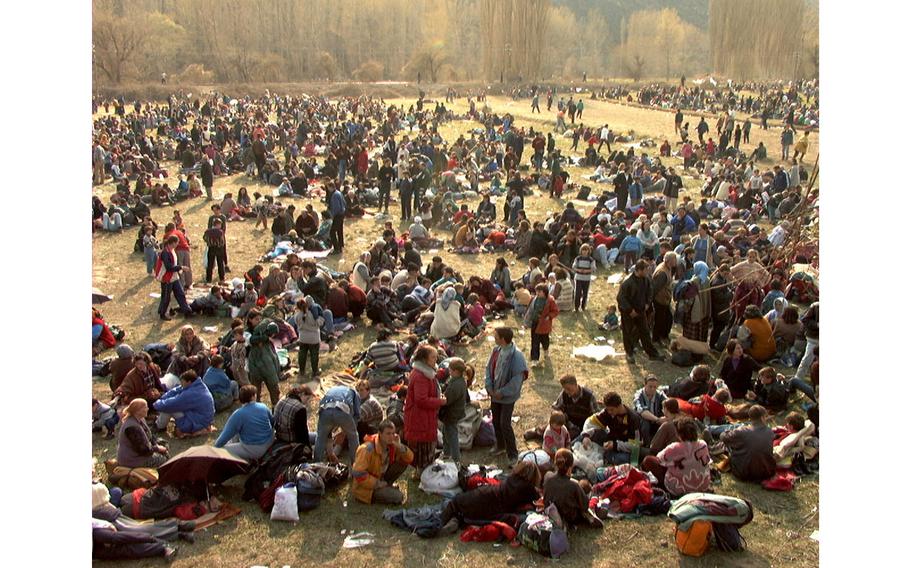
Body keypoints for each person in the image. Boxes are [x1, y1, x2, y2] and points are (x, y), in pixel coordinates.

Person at [439, 460, 541, 534]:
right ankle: (451, 521)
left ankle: (446, 521)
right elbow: (539, 500)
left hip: (485, 493)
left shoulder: (511, 478)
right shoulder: (528, 489)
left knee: (456, 502)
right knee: (465, 510)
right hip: (492, 506)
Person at [485, 327, 529, 463]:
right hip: (494, 394)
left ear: (503, 339)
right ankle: (500, 445)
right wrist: (489, 386)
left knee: (505, 423)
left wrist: (502, 392)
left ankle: (512, 454)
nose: (495, 338)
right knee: (496, 421)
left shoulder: (517, 356)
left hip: (507, 398)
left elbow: (517, 380)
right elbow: (488, 369)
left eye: (496, 336)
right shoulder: (496, 351)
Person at [641, 417, 711, 497]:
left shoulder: (675, 447)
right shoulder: (703, 444)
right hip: (702, 485)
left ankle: (663, 487)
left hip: (679, 488)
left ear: (679, 435)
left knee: (648, 460)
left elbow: (659, 459)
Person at [404, 345, 446, 473]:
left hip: (424, 417)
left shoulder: (427, 372)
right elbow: (421, 400)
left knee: (425, 447)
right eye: (433, 357)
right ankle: (423, 474)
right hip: (420, 418)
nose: (436, 359)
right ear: (424, 359)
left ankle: (423, 472)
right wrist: (440, 401)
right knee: (423, 449)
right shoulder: (421, 376)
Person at [352, 420, 415, 505]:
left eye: (393, 433)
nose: (391, 437)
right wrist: (377, 484)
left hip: (381, 478)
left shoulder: (392, 445)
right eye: (388, 434)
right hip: (366, 488)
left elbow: (409, 459)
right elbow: (358, 474)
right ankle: (383, 490)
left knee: (403, 461)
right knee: (398, 497)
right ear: (380, 434)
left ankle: (386, 487)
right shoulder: (366, 449)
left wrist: (400, 446)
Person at [616, 260, 663, 364]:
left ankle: (652, 354)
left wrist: (647, 304)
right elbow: (621, 298)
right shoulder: (627, 282)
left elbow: (650, 291)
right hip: (628, 313)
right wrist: (630, 310)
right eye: (646, 270)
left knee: (645, 332)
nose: (648, 272)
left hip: (641, 311)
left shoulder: (646, 280)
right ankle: (629, 353)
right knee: (627, 333)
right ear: (639, 270)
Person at [214, 385, 275, 461]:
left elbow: (224, 437)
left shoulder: (238, 414)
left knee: (222, 449)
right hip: (270, 440)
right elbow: (272, 422)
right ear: (253, 397)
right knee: (236, 431)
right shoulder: (263, 406)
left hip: (255, 450)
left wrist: (215, 448)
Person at [543, 449, 602, 528]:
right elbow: (585, 505)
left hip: (550, 512)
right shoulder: (573, 485)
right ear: (570, 466)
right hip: (570, 518)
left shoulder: (548, 477)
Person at [580, 392, 642, 465]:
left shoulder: (633, 419)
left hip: (624, 449)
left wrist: (616, 445)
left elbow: (635, 445)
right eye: (608, 409)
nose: (609, 412)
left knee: (622, 459)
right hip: (609, 442)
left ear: (619, 406)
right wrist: (586, 436)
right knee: (584, 435)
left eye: (612, 410)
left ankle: (603, 456)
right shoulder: (608, 412)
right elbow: (590, 421)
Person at [720, 405, 776, 482]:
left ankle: (712, 445)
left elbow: (723, 437)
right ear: (762, 418)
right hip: (766, 473)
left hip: (743, 474)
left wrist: (730, 430)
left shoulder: (742, 431)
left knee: (730, 442)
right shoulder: (770, 432)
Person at [153, 370, 215, 437]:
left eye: (182, 382)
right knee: (168, 406)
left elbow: (171, 404)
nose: (181, 384)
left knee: (169, 408)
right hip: (201, 419)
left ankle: (159, 426)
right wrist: (163, 398)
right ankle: (159, 424)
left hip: (197, 423)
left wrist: (156, 403)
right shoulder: (198, 386)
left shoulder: (191, 393)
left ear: (189, 382)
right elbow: (176, 390)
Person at [314, 385, 362, 464]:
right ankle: (356, 463)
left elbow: (321, 406)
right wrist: (349, 429)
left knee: (320, 438)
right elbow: (357, 415)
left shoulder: (331, 390)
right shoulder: (354, 393)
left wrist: (330, 452)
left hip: (325, 410)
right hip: (342, 410)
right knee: (353, 437)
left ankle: (316, 464)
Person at [116, 399, 169, 469]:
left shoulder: (140, 419)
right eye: (145, 407)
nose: (148, 409)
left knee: (164, 444)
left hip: (141, 452)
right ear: (138, 410)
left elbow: (149, 436)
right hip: (132, 459)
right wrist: (158, 448)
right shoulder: (131, 427)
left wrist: (157, 444)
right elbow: (143, 449)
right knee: (164, 459)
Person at [154, 235, 192, 321]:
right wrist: (181, 267)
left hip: (174, 277)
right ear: (173, 243)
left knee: (180, 294)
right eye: (177, 242)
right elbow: (169, 267)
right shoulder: (165, 253)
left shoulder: (171, 251)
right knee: (166, 297)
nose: (178, 244)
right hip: (167, 278)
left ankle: (187, 311)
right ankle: (162, 313)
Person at [439, 358, 468, 462]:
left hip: (452, 413)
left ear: (456, 371)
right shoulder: (458, 380)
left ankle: (456, 459)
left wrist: (439, 396)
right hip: (454, 412)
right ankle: (446, 453)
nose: (449, 371)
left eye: (450, 369)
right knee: (445, 432)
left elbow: (447, 400)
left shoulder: (456, 385)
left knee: (452, 436)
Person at [524, 283, 559, 367]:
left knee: (544, 339)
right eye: (537, 291)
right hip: (535, 323)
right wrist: (526, 322)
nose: (537, 293)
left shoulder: (550, 300)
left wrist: (549, 317)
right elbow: (529, 311)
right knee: (534, 341)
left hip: (544, 324)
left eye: (539, 291)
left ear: (544, 292)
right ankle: (535, 359)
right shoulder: (534, 299)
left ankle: (546, 349)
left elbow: (555, 311)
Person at [248, 321, 282, 407]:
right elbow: (251, 340)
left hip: (263, 368)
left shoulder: (266, 343)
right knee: (257, 392)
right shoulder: (256, 340)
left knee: (273, 392)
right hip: (263, 369)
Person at [293, 297, 323, 380]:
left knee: (302, 354)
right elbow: (320, 323)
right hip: (314, 338)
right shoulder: (313, 314)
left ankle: (302, 370)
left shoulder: (297, 315)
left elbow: (297, 324)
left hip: (303, 337)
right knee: (314, 355)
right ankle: (315, 371)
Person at [651, 252, 677, 345]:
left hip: (665, 299)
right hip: (660, 300)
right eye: (675, 259)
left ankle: (663, 336)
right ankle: (656, 339)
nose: (676, 261)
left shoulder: (668, 268)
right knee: (659, 320)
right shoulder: (662, 273)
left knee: (668, 318)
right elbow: (655, 288)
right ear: (669, 261)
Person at [633, 376, 668, 446]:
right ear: (645, 385)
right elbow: (643, 412)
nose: (652, 389)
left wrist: (666, 418)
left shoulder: (660, 395)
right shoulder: (638, 395)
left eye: (655, 387)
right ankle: (647, 445)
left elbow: (669, 406)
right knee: (645, 423)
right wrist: (657, 419)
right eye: (650, 386)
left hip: (656, 421)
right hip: (642, 423)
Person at [571, 244, 596, 311]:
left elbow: (593, 269)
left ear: (588, 251)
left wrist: (587, 270)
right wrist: (578, 270)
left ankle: (583, 306)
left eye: (586, 250)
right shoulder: (578, 258)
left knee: (585, 293)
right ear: (581, 251)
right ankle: (576, 307)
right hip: (578, 278)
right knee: (577, 293)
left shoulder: (591, 259)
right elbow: (574, 267)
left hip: (586, 279)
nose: (584, 251)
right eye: (583, 250)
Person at [203, 218, 227, 283]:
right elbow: (222, 241)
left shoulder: (208, 231)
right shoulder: (220, 232)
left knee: (210, 264)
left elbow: (204, 238)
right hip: (219, 249)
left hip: (211, 248)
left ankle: (209, 279)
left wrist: (210, 242)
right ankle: (222, 278)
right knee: (220, 264)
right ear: (218, 224)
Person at [329, 185, 347, 252]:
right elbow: (344, 203)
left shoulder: (334, 195)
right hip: (342, 214)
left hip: (337, 215)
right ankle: (341, 245)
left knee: (332, 232)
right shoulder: (339, 193)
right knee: (340, 230)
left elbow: (336, 207)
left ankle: (336, 248)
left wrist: (332, 215)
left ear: (331, 187)